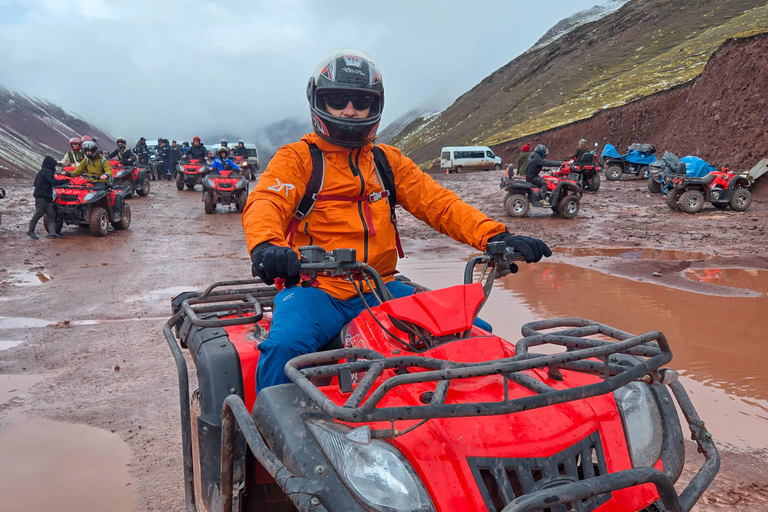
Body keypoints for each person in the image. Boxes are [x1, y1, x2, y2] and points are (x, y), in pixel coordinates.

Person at [241, 49, 551, 391]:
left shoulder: (387, 161)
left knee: (472, 333)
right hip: (317, 290)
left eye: (361, 102)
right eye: (338, 100)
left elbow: (439, 204)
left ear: (374, 106)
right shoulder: (297, 159)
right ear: (319, 101)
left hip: (380, 287)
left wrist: (494, 236)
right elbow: (266, 202)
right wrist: (267, 245)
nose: (349, 110)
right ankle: (265, 422)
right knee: (285, 349)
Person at [28, 156, 69, 239]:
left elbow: (35, 183)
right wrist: (65, 181)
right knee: (39, 213)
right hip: (42, 197)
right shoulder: (48, 172)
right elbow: (53, 181)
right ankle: (30, 231)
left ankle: (52, 233)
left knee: (51, 214)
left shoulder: (40, 172)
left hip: (45, 197)